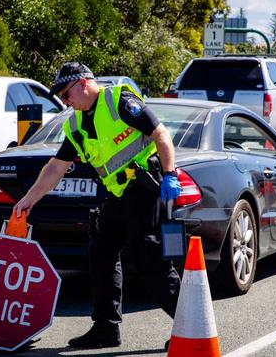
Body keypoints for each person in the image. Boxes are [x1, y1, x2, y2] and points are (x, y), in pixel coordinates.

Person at [13, 62, 182, 349]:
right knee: (101, 250)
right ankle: (106, 329)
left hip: (145, 188)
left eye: (66, 95)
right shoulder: (76, 124)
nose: (65, 102)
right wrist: (28, 200)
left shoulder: (120, 101)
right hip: (117, 195)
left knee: (147, 257)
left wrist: (170, 174)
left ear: (82, 84)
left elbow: (160, 134)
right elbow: (56, 167)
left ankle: (189, 324)